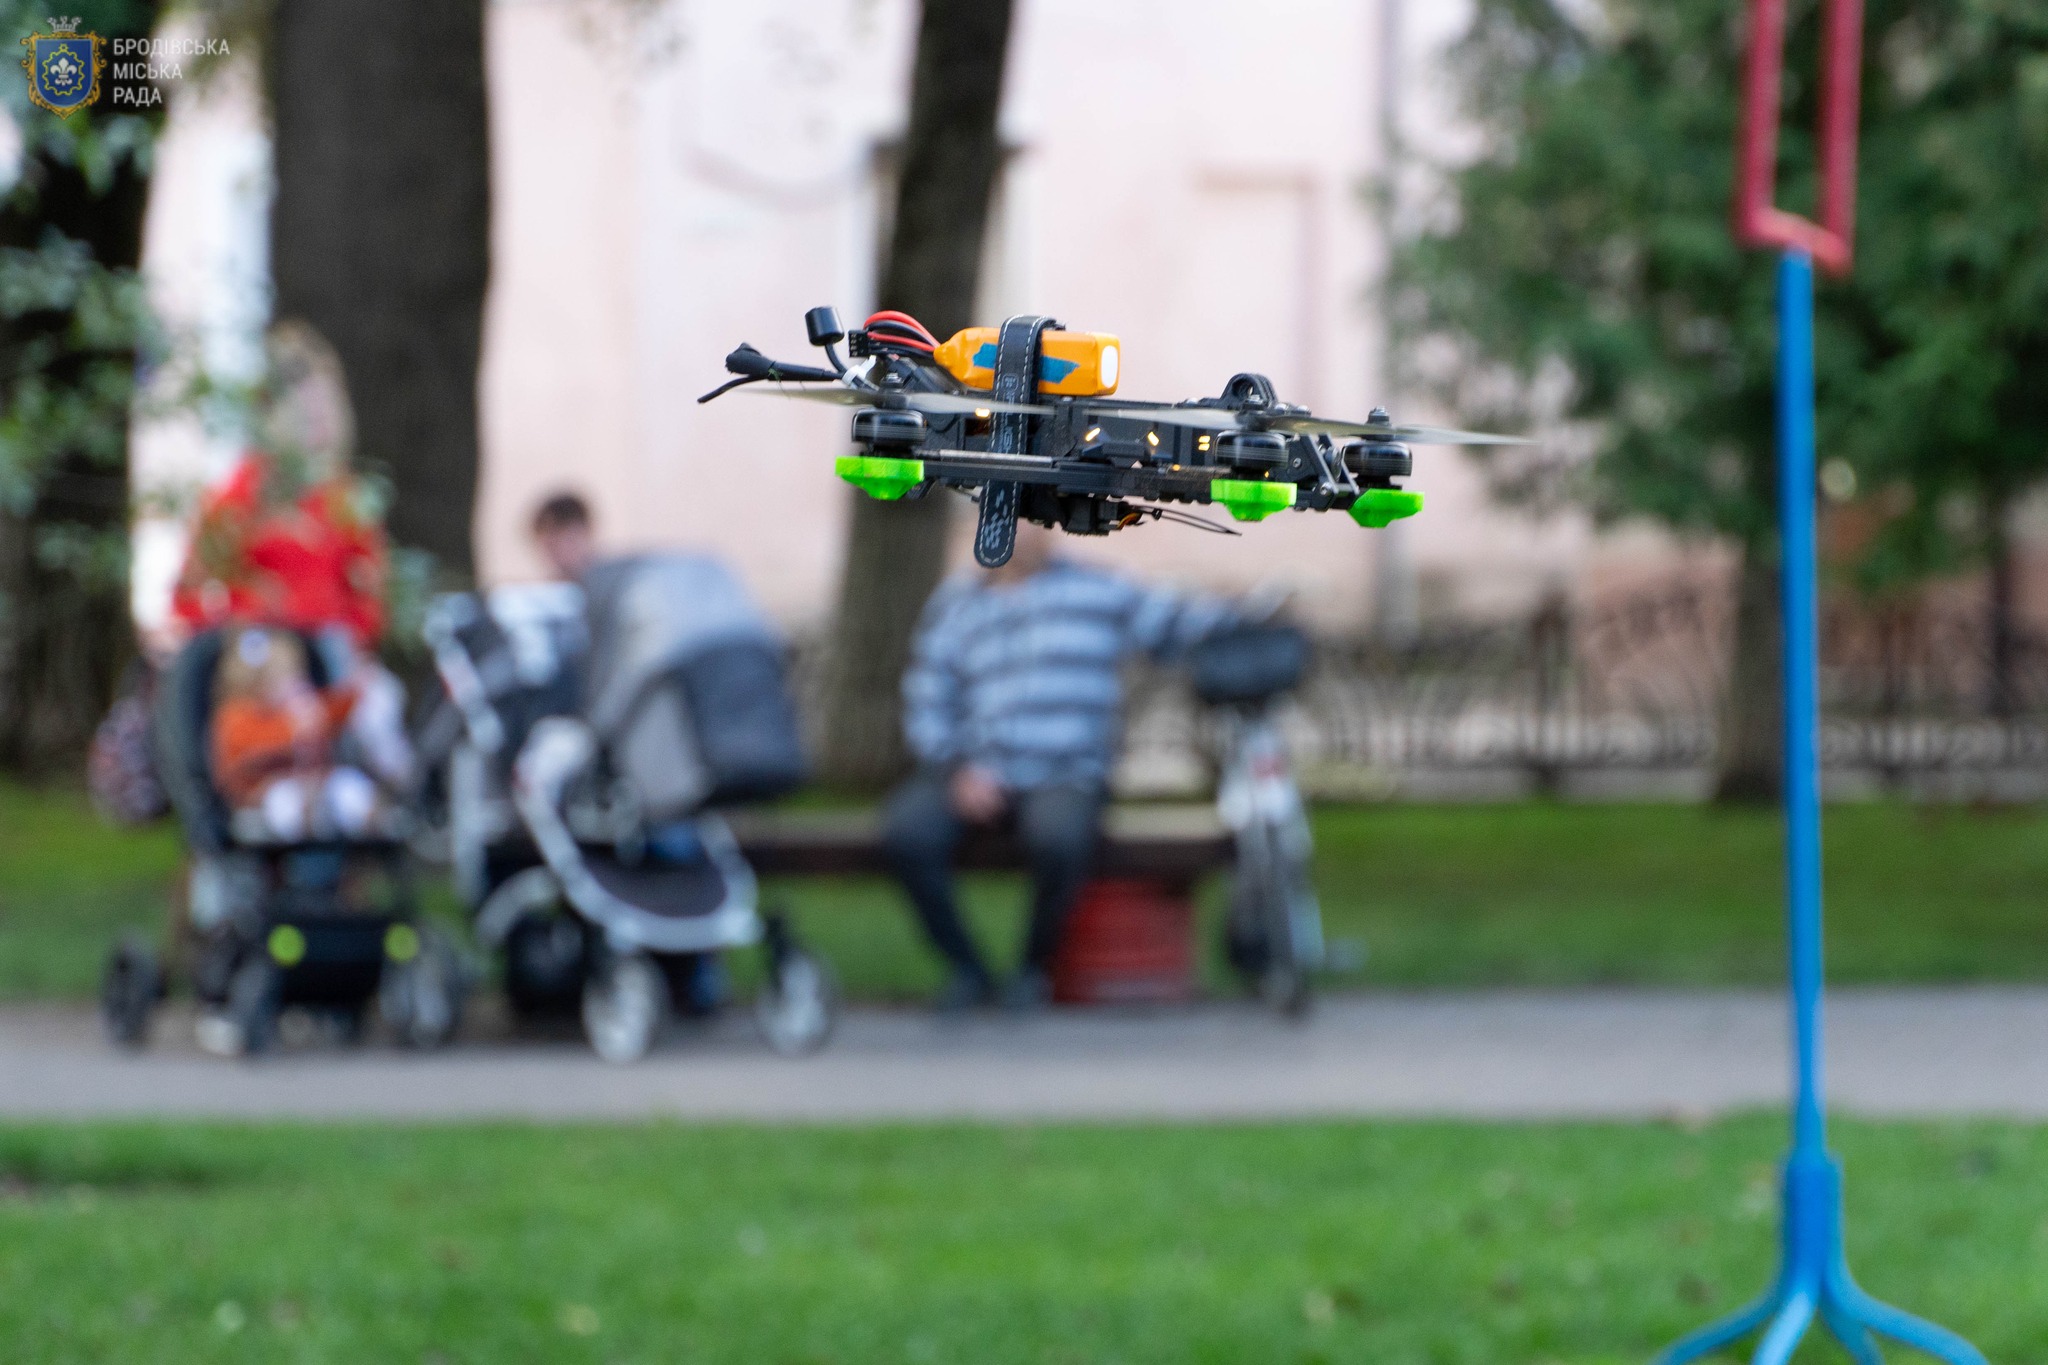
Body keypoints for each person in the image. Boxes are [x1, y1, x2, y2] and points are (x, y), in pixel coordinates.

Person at [884, 521, 1235, 1013]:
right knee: (908, 833)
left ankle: (1032, 969)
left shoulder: (1098, 590)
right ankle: (968, 970)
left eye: (1034, 518)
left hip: (1067, 770)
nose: (1023, 531)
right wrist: (957, 768)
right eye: (1012, 514)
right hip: (974, 768)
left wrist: (1251, 614)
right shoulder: (955, 604)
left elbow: (1179, 624)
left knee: (1058, 839)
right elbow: (927, 698)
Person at [210, 625, 385, 841]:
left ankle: (374, 842)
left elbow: (332, 710)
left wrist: (356, 689)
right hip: (265, 795)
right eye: (284, 678)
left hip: (318, 783)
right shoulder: (235, 716)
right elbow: (258, 744)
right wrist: (295, 726)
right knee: (287, 804)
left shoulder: (297, 706)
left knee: (351, 788)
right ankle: (312, 848)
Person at [530, 491, 598, 581]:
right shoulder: (551, 586)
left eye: (554, 545)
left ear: (583, 532)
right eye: (548, 546)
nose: (554, 554)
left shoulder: (612, 579)